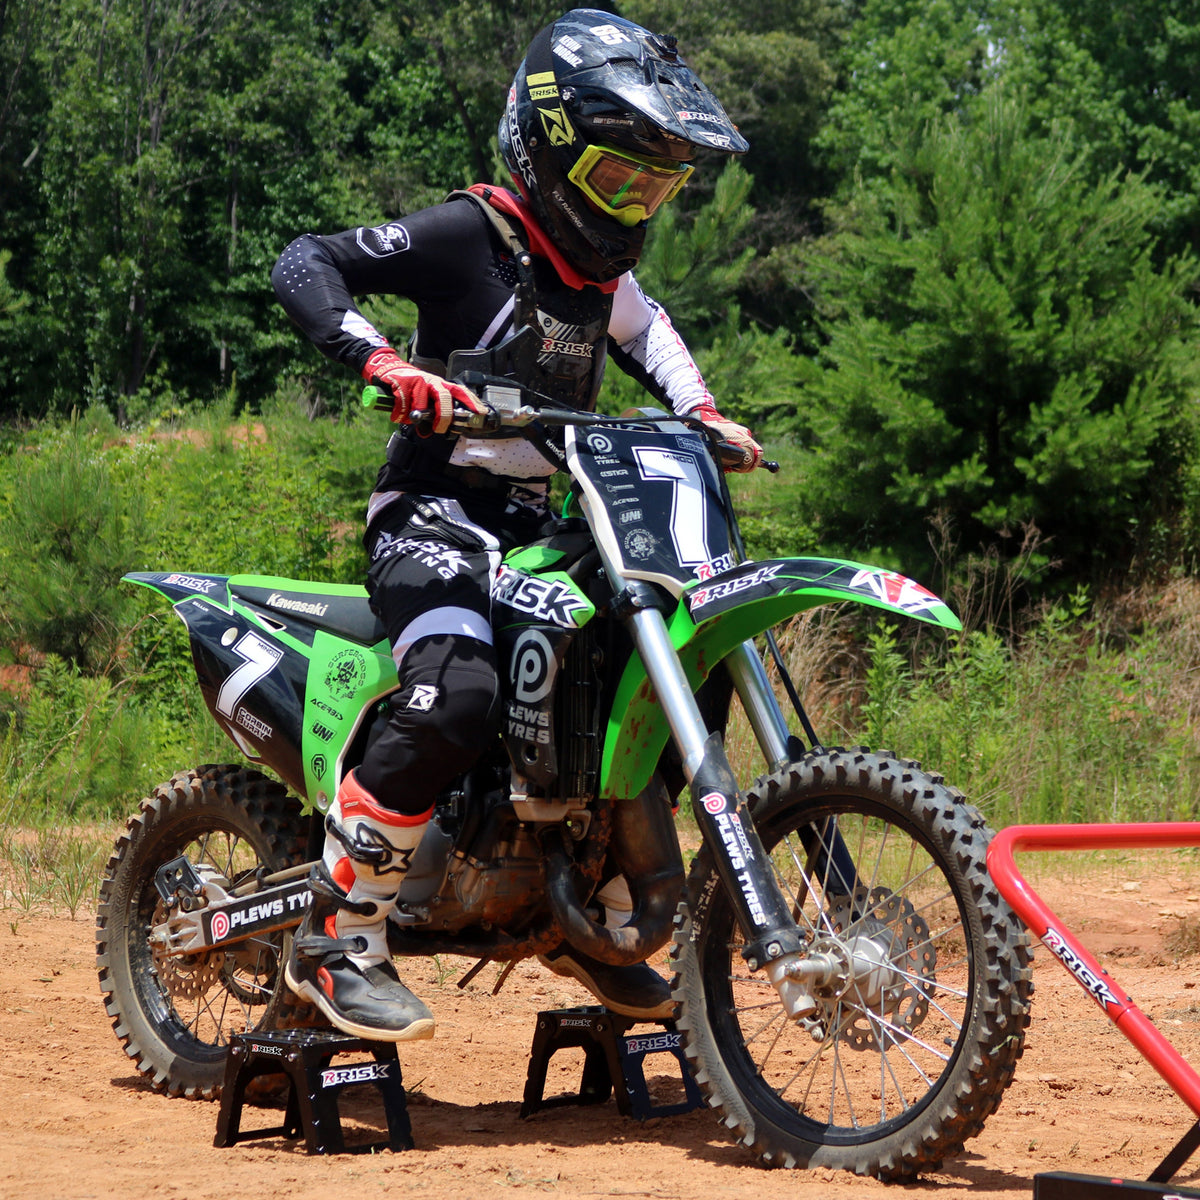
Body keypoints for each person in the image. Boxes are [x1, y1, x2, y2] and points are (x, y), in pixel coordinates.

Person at [271, 8, 759, 1042]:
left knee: (663, 656)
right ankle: (334, 933)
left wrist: (702, 412)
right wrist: (386, 365)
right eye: (621, 180)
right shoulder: (469, 237)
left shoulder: (599, 276)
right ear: (549, 152)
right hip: (432, 515)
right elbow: (308, 258)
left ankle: (593, 917)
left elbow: (649, 329)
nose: (636, 206)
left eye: (655, 188)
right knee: (460, 691)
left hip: (541, 524)